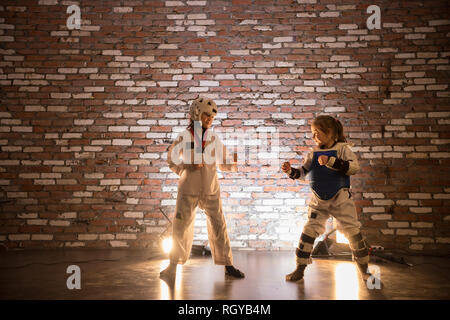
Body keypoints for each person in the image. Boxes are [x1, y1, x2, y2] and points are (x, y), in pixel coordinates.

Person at [160, 97, 245, 282]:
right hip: (188, 189)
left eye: (212, 117)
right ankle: (172, 266)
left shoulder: (213, 138)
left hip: (210, 188)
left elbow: (224, 162)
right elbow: (171, 159)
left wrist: (234, 162)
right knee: (180, 227)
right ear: (197, 113)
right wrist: (187, 165)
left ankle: (228, 265)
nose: (209, 119)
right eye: (207, 115)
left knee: (219, 226)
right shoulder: (184, 136)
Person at [281, 115, 371, 282]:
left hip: (341, 199)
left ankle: (365, 271)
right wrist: (289, 171)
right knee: (308, 234)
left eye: (316, 133)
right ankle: (299, 269)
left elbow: (354, 168)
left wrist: (331, 161)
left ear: (329, 132)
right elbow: (302, 172)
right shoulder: (313, 153)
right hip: (318, 201)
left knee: (353, 233)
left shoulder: (343, 149)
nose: (314, 137)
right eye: (312, 133)